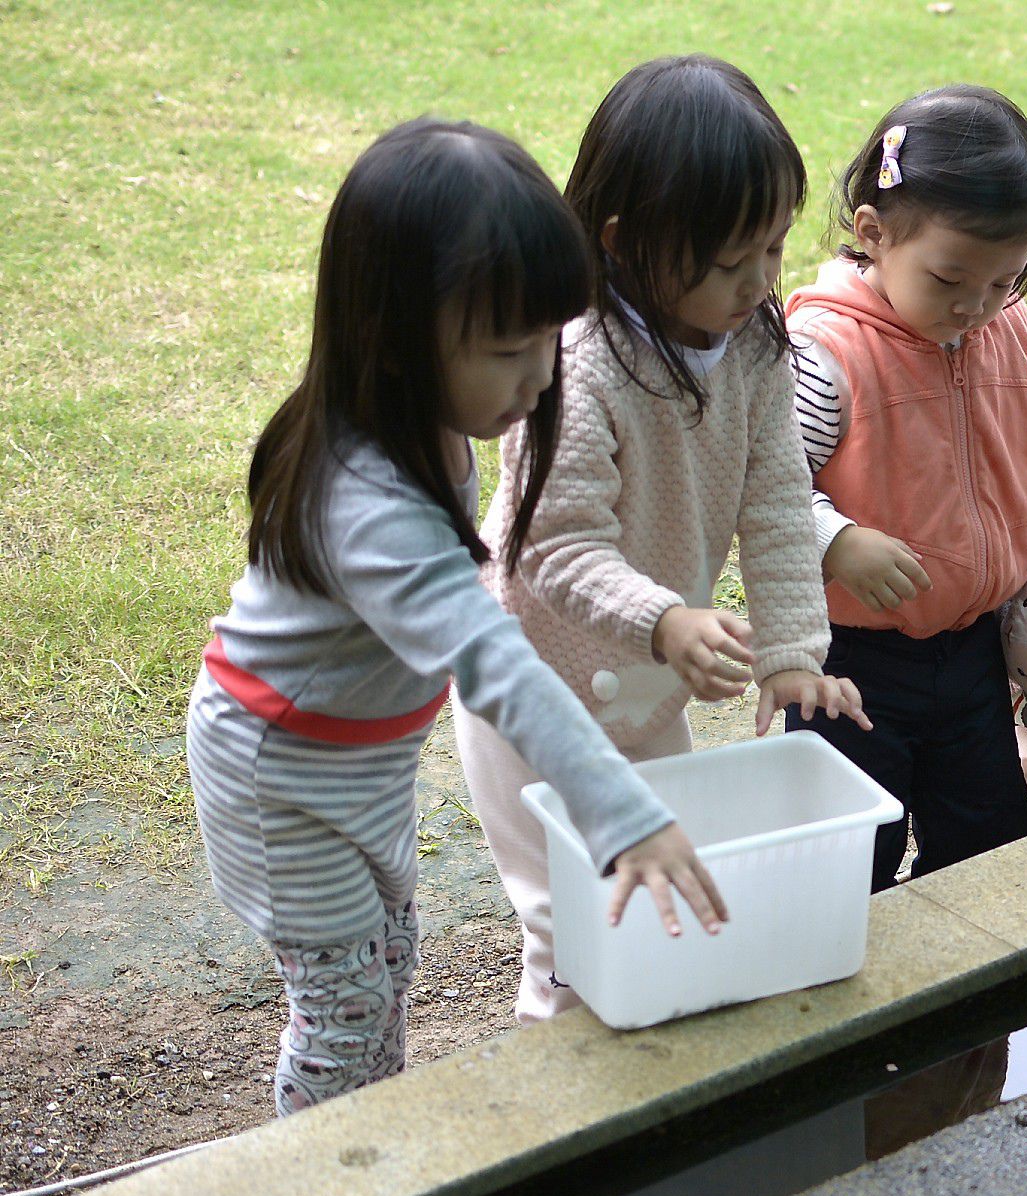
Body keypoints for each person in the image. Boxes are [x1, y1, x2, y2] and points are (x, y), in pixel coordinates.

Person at [187, 119, 723, 1116]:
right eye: (509, 348)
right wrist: (625, 811)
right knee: (344, 1007)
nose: (538, 379)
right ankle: (322, 1195)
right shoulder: (362, 498)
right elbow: (494, 660)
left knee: (387, 968)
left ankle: (372, 1141)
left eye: (547, 345)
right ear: (392, 335)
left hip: (360, 757)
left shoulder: (435, 419)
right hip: (280, 776)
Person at [457, 56, 865, 1022]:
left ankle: (656, 1076)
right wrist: (666, 618)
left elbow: (774, 501)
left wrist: (793, 654)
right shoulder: (575, 364)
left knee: (662, 890)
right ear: (625, 242)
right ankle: (561, 1110)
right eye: (732, 262)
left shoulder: (760, 350)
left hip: (648, 684)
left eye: (773, 249)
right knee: (570, 920)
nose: (761, 281)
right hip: (532, 687)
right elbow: (550, 548)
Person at [784, 84, 1027, 891]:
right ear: (874, 234)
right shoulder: (827, 353)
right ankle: (857, 1011)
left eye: (1005, 282)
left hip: (976, 652)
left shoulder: (1000, 331)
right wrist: (837, 539)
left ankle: (975, 1013)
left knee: (988, 840)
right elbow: (762, 489)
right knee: (850, 860)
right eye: (951, 279)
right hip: (850, 667)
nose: (976, 307)